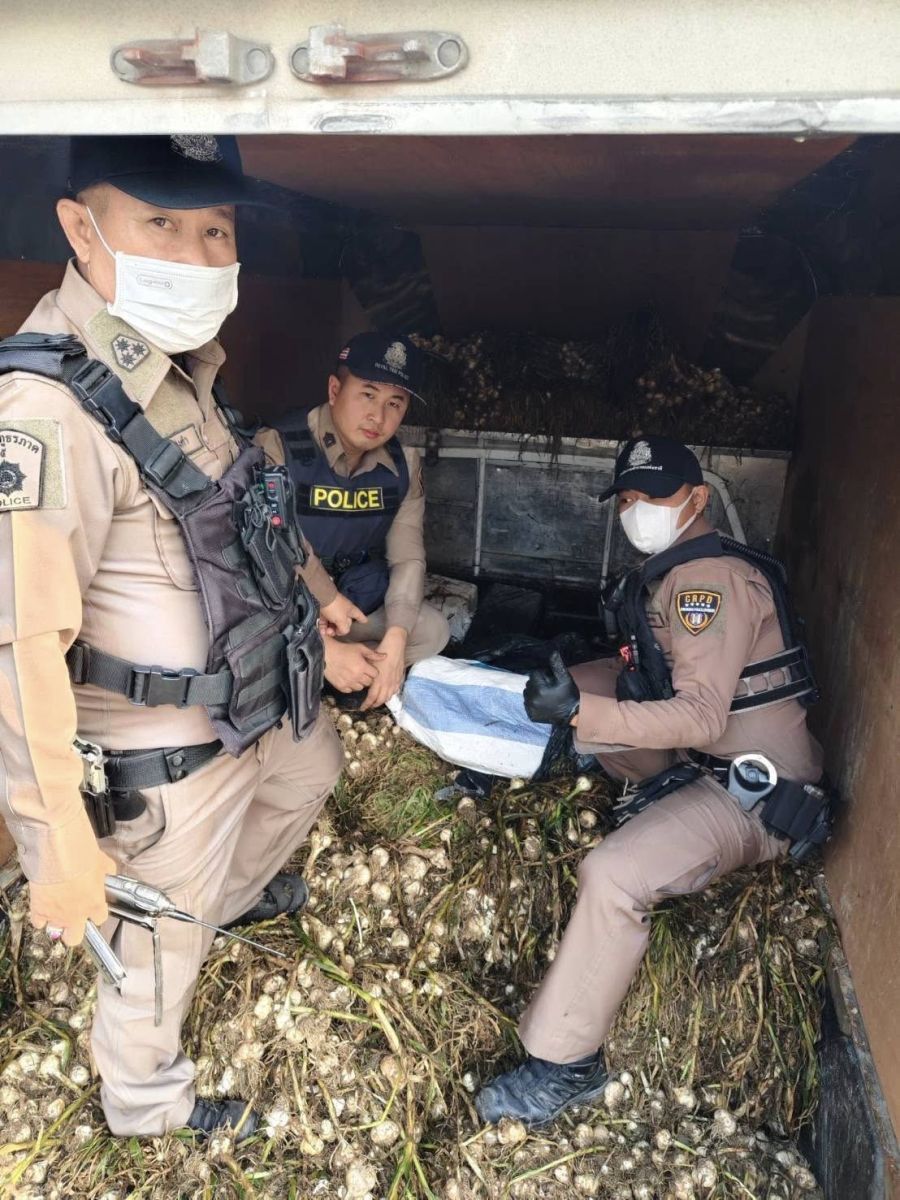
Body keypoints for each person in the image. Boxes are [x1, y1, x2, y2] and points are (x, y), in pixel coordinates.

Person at [0, 134, 353, 1139]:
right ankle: (147, 1105)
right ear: (80, 228)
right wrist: (55, 843)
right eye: (161, 222)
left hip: (253, 709)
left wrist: (322, 619)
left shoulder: (180, 370)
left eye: (216, 230)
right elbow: (18, 647)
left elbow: (246, 525)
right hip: (161, 760)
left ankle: (212, 904)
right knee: (157, 955)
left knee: (314, 770)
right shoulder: (47, 410)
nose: (198, 256)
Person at [475, 435, 830, 1127]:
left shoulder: (708, 583)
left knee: (612, 875)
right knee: (582, 692)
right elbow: (646, 675)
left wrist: (581, 714)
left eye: (654, 497)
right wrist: (569, 693)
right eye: (628, 499)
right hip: (704, 760)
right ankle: (543, 756)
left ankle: (566, 1065)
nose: (638, 511)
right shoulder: (674, 569)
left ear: (697, 499)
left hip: (754, 795)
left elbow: (700, 716)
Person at [258, 333, 449, 711]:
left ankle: (329, 669)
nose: (379, 417)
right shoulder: (276, 447)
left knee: (431, 630)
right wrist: (322, 617)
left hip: (349, 610)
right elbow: (268, 546)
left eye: (394, 403)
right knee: (246, 629)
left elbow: (407, 558)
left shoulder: (403, 465)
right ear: (334, 390)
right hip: (279, 606)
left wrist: (395, 640)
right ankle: (320, 662)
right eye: (367, 395)